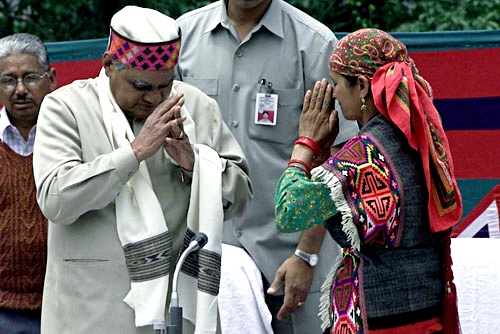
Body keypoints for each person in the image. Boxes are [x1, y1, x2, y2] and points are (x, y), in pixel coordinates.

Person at [32, 6, 252, 334]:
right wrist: (133, 154)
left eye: (164, 86)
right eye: (141, 86)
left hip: (180, 310)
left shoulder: (196, 108)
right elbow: (55, 200)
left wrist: (194, 164)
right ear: (108, 65)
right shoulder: (66, 108)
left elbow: (241, 198)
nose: (154, 99)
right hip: (89, 313)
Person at [176, 1, 358, 333]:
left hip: (289, 262)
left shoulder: (314, 43)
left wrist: (306, 255)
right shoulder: (182, 37)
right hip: (207, 257)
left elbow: (339, 166)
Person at [275, 28, 463, 334]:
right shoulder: (418, 140)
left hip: (377, 320)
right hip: (424, 314)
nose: (333, 93)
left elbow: (289, 210)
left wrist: (305, 144)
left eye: (336, 83)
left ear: (361, 86)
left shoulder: (364, 154)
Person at [0, 33, 57, 334]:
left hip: (64, 302)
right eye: (8, 80)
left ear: (52, 79)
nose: (20, 90)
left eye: (30, 77)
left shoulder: (73, 141)